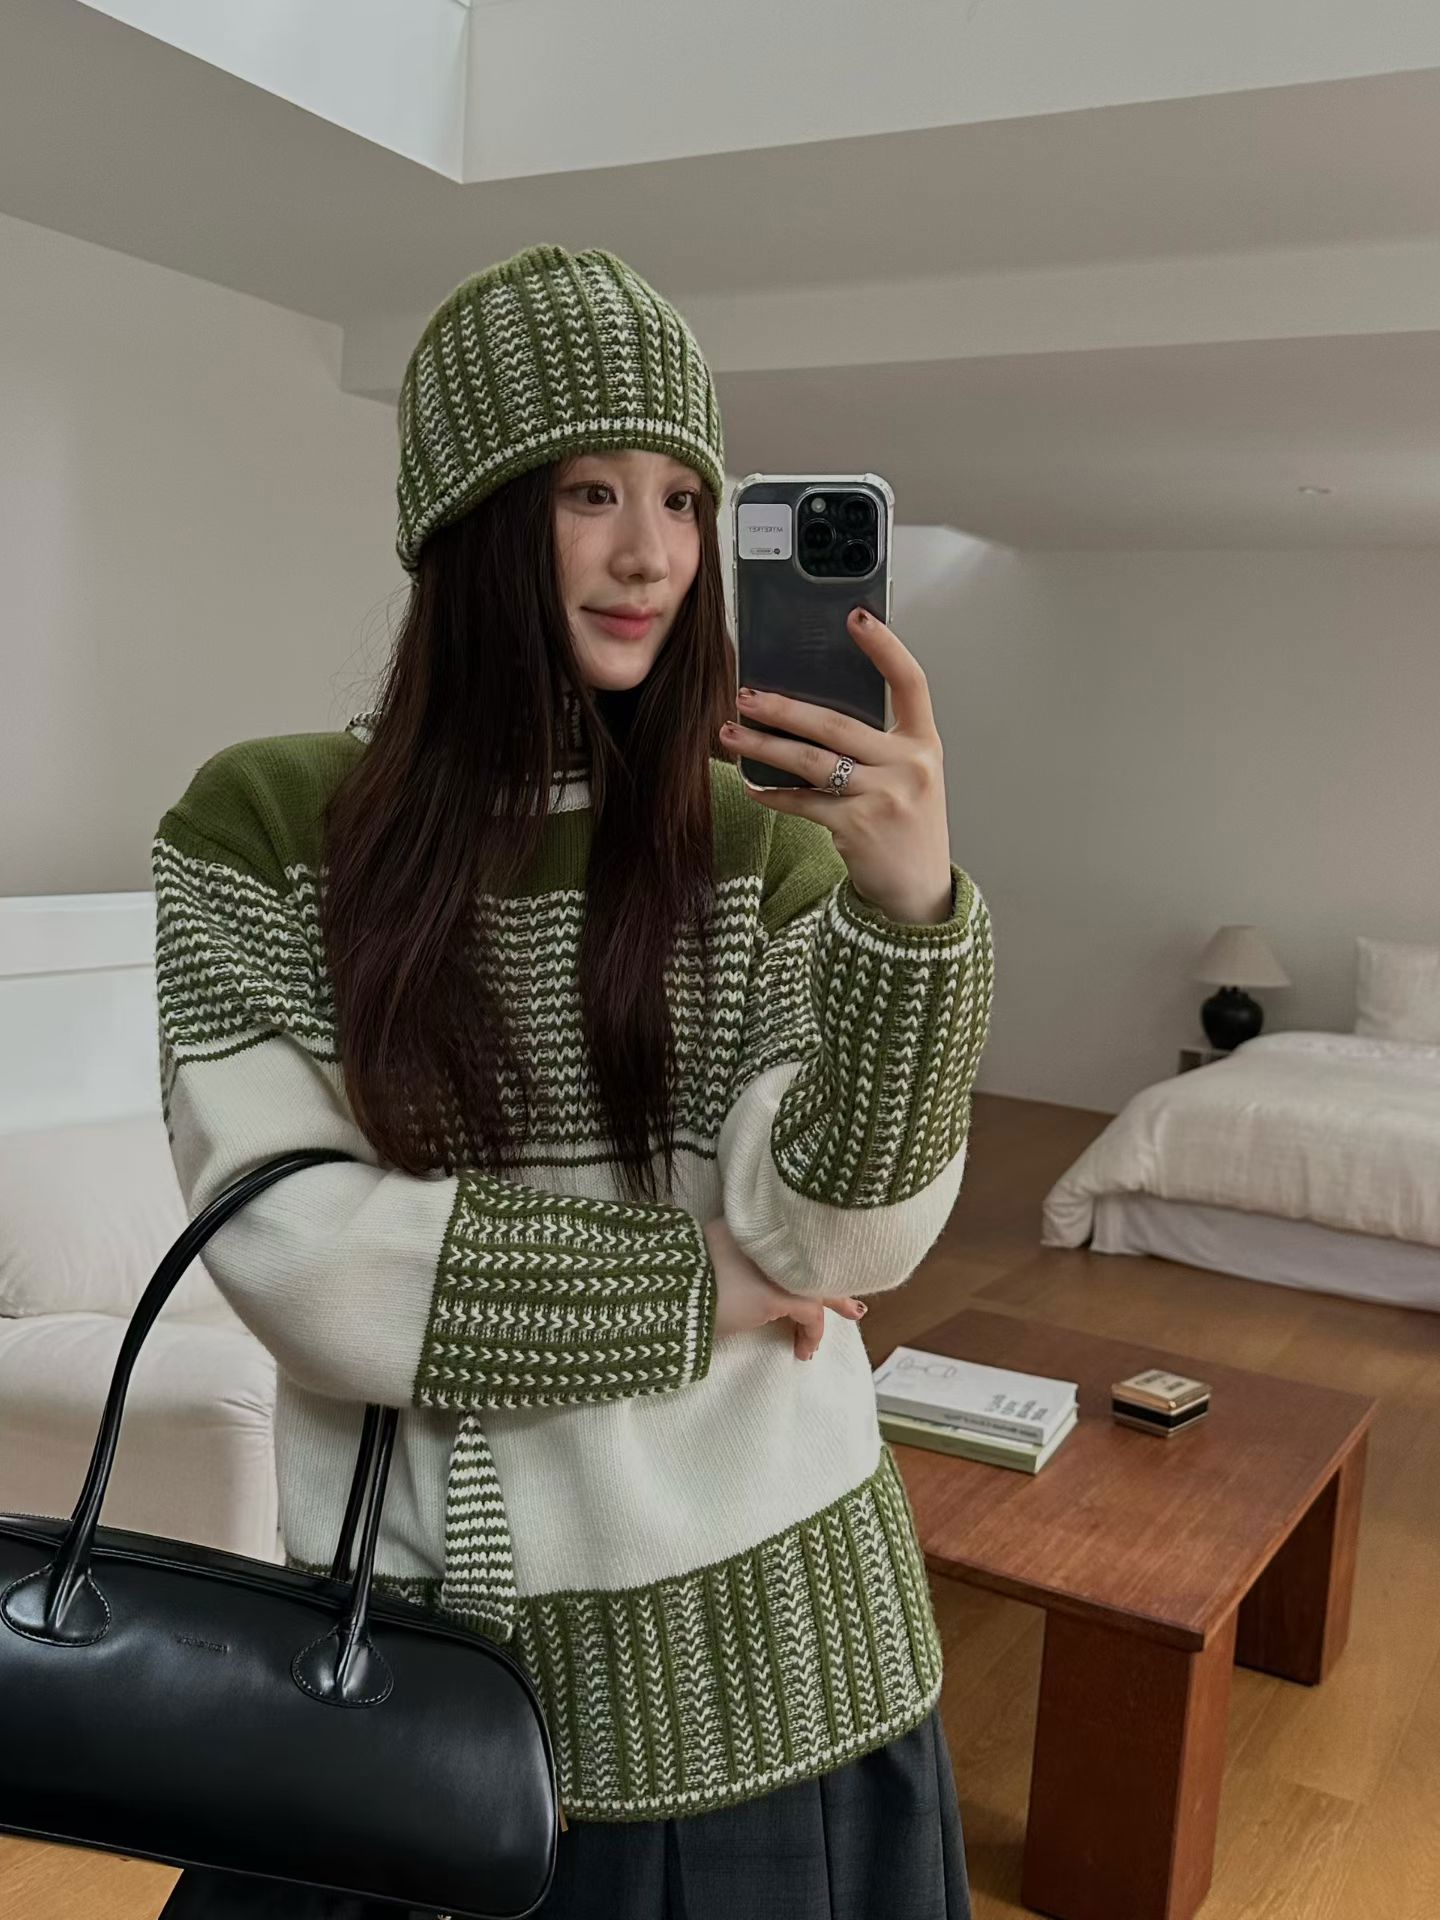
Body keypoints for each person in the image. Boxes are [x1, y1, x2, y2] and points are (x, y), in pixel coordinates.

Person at [152, 243, 994, 1919]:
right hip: (413, 1679)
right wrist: (713, 1284)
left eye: (683, 499)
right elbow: (303, 1258)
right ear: (468, 521)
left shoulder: (759, 839)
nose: (650, 555)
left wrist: (910, 920)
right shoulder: (264, 828)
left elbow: (840, 1244)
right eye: (588, 492)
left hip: (786, 1672)